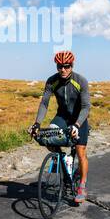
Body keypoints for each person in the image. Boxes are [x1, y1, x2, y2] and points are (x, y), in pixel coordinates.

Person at [29, 49, 91, 203]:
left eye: (67, 66)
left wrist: (77, 125)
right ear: (56, 66)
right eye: (60, 66)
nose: (63, 69)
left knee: (80, 151)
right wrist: (37, 123)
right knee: (47, 135)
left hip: (79, 119)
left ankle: (82, 186)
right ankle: (63, 158)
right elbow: (44, 103)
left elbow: (86, 107)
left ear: (72, 65)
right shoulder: (52, 81)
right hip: (62, 116)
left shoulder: (80, 81)